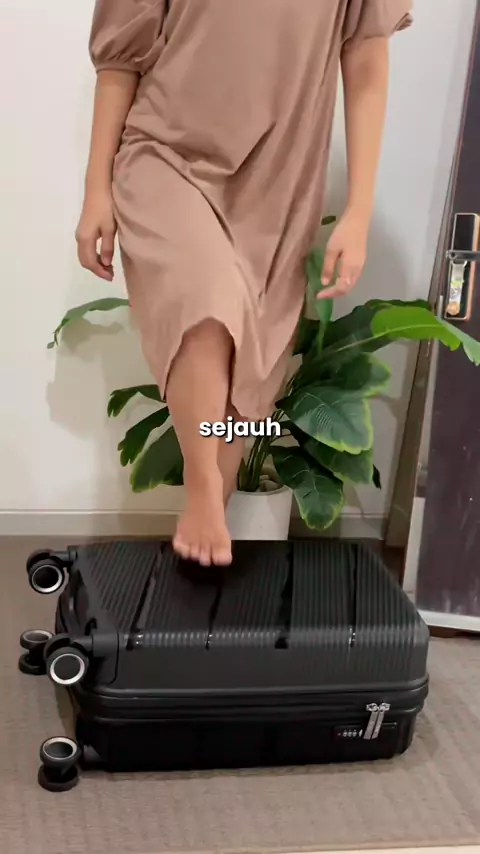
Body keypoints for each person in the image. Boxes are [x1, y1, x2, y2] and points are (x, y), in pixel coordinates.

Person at [76, 0, 413, 567]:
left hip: (279, 180)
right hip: (164, 151)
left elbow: (366, 56)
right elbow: (120, 59)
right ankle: (203, 487)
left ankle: (207, 541)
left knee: (250, 372)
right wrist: (95, 191)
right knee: (204, 300)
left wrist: (359, 211)